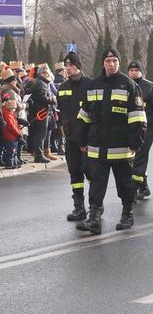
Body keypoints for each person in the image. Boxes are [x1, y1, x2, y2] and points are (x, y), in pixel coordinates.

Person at [74, 46, 147, 234]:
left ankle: (127, 214)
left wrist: (135, 144)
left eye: (115, 61)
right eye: (108, 61)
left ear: (119, 63)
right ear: (103, 63)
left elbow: (138, 118)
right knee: (97, 183)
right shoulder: (93, 85)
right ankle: (94, 218)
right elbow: (84, 116)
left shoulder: (129, 85)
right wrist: (81, 140)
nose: (111, 64)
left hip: (122, 146)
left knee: (125, 183)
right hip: (98, 146)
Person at [56, 52, 93, 222]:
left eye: (70, 65)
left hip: (88, 138)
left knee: (91, 173)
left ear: (78, 65)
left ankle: (95, 207)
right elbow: (62, 113)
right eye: (66, 66)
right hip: (71, 138)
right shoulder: (62, 88)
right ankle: (79, 207)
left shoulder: (91, 85)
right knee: (75, 173)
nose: (67, 68)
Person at [127, 60, 153, 200]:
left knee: (140, 158)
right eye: (131, 70)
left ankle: (134, 188)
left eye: (136, 70)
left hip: (146, 128)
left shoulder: (150, 87)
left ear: (141, 72)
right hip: (129, 129)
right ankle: (144, 187)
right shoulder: (124, 85)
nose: (133, 72)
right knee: (132, 158)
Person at [28, 64, 57, 163]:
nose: (49, 75)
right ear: (42, 73)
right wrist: (53, 99)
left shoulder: (41, 82)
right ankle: (39, 155)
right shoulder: (40, 83)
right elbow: (43, 98)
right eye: (47, 73)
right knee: (40, 135)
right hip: (41, 113)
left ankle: (42, 153)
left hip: (43, 112)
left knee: (43, 134)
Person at [1, 92, 21, 169]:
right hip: (10, 136)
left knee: (13, 151)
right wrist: (18, 134)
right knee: (11, 151)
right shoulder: (7, 114)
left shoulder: (9, 113)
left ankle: (13, 162)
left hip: (12, 136)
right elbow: (11, 126)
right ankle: (9, 163)